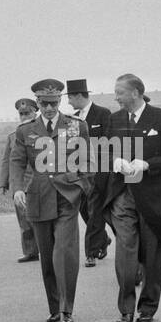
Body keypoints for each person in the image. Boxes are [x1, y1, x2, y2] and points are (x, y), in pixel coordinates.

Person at [102, 73, 161, 322]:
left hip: (153, 198)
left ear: (135, 92)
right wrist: (115, 162)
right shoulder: (115, 119)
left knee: (152, 256)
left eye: (120, 92)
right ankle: (126, 309)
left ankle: (148, 306)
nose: (116, 97)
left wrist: (147, 164)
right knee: (125, 253)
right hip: (123, 196)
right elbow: (105, 152)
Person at [9, 80, 91, 322]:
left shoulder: (77, 126)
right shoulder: (25, 132)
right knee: (47, 256)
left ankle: (67, 309)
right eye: (44, 104)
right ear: (38, 104)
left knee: (64, 253)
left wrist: (82, 186)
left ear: (60, 101)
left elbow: (87, 160)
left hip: (67, 197)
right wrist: (18, 189)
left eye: (53, 103)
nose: (49, 108)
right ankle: (54, 307)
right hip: (38, 198)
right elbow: (16, 162)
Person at [66, 79, 113, 267]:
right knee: (85, 210)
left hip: (98, 173)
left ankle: (91, 253)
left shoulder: (103, 114)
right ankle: (102, 240)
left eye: (70, 97)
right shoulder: (72, 119)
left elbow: (109, 143)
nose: (68, 102)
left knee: (94, 212)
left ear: (78, 96)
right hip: (80, 174)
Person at [0, 98, 40, 263]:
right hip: (20, 184)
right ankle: (30, 251)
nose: (24, 116)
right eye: (21, 114)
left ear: (36, 112)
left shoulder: (42, 132)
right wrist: (3, 183)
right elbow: (7, 161)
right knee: (24, 219)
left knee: (41, 218)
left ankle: (49, 249)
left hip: (39, 182)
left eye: (27, 113)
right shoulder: (13, 136)